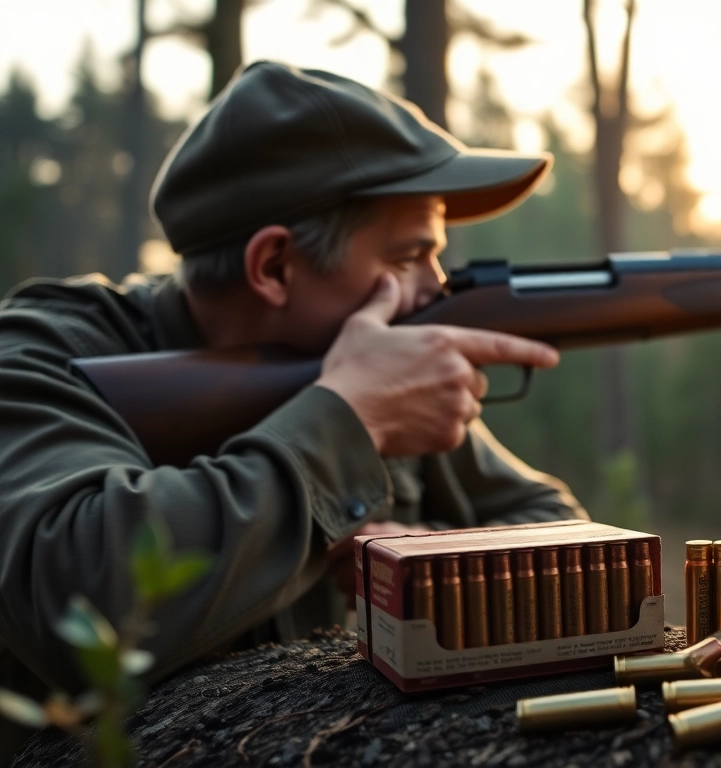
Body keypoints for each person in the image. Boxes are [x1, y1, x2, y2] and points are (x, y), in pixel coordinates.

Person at [0, 61, 586, 761]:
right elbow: (74, 592)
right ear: (274, 265)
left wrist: (425, 554)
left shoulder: (370, 362)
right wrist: (346, 422)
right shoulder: (40, 355)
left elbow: (556, 527)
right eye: (410, 256)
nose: (435, 286)